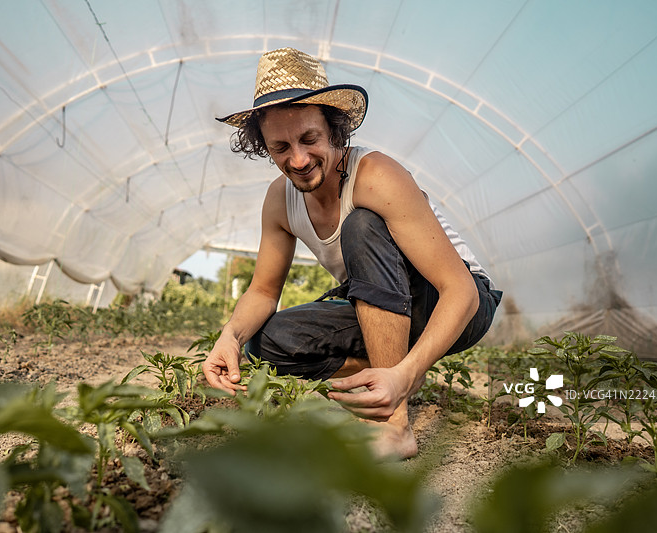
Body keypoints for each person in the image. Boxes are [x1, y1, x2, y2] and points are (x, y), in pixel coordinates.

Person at [202, 47, 502, 460]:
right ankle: (385, 369)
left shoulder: (376, 176)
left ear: (335, 132)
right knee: (265, 343)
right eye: (281, 147)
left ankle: (393, 423)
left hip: (458, 304)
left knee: (361, 225)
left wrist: (409, 374)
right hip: (382, 307)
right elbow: (263, 292)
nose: (299, 159)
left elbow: (461, 291)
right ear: (264, 147)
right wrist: (229, 337)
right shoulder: (279, 200)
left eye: (310, 139)